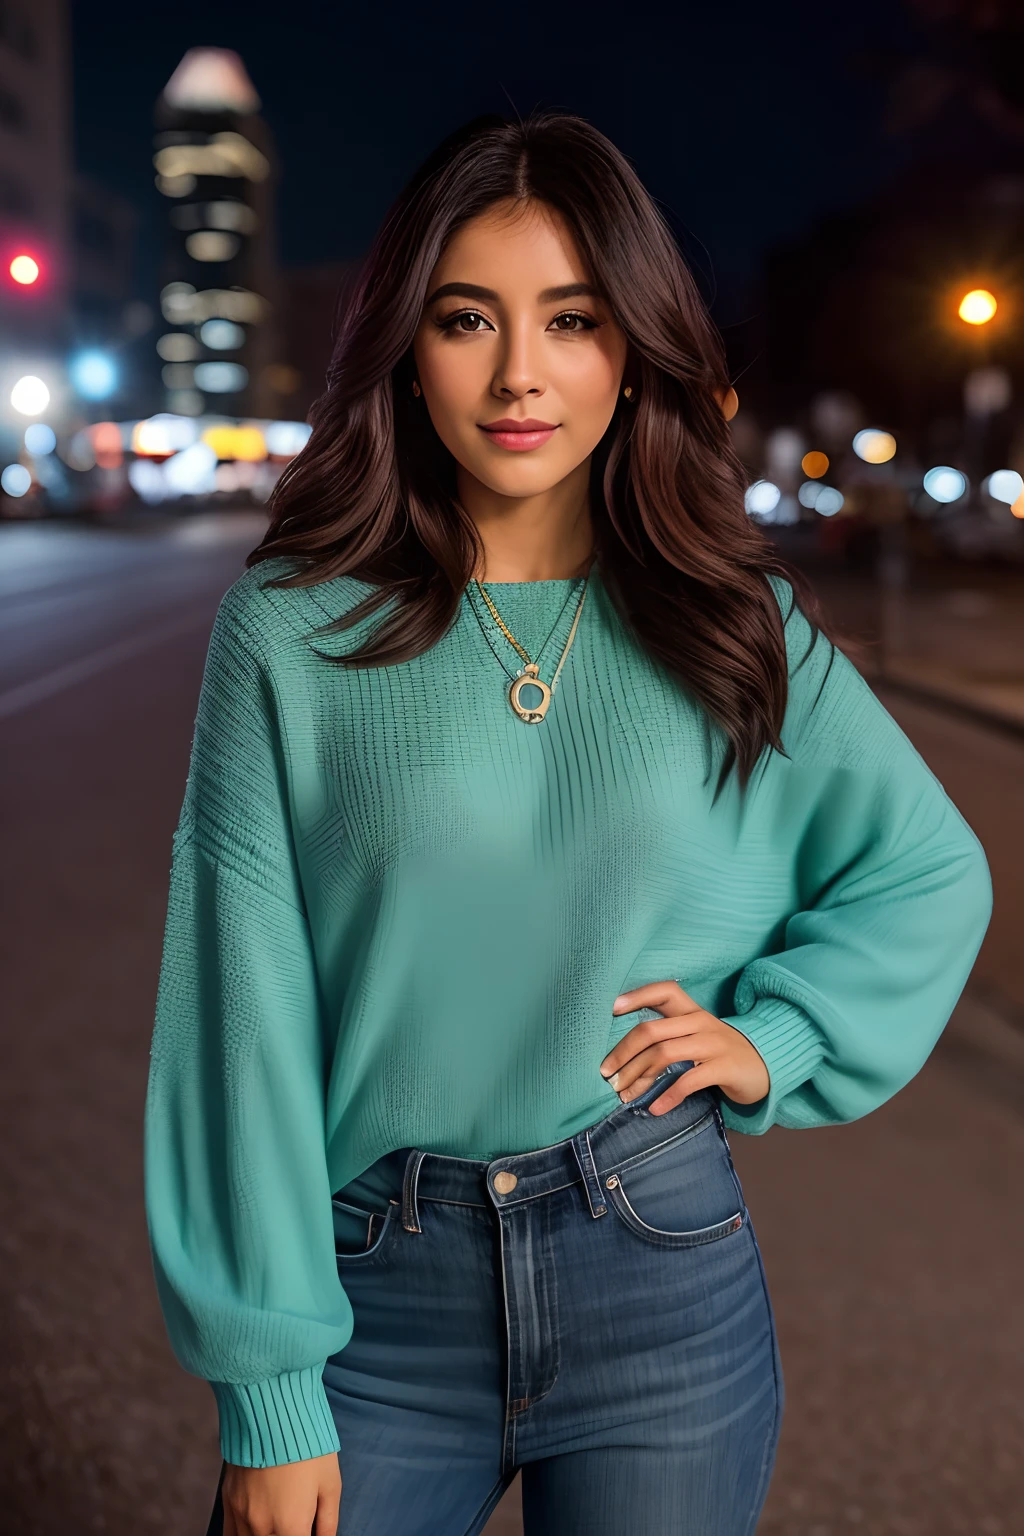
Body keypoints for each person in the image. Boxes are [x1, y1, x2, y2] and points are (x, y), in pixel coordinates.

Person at [144, 112, 992, 1536]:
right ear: (408, 350)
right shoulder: (289, 632)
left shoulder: (732, 622)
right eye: (470, 318)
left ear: (632, 348)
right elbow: (241, 1015)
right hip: (374, 1296)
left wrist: (776, 1036)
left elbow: (926, 869)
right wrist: (271, 1388)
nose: (520, 374)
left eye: (574, 318)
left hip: (656, 1266)